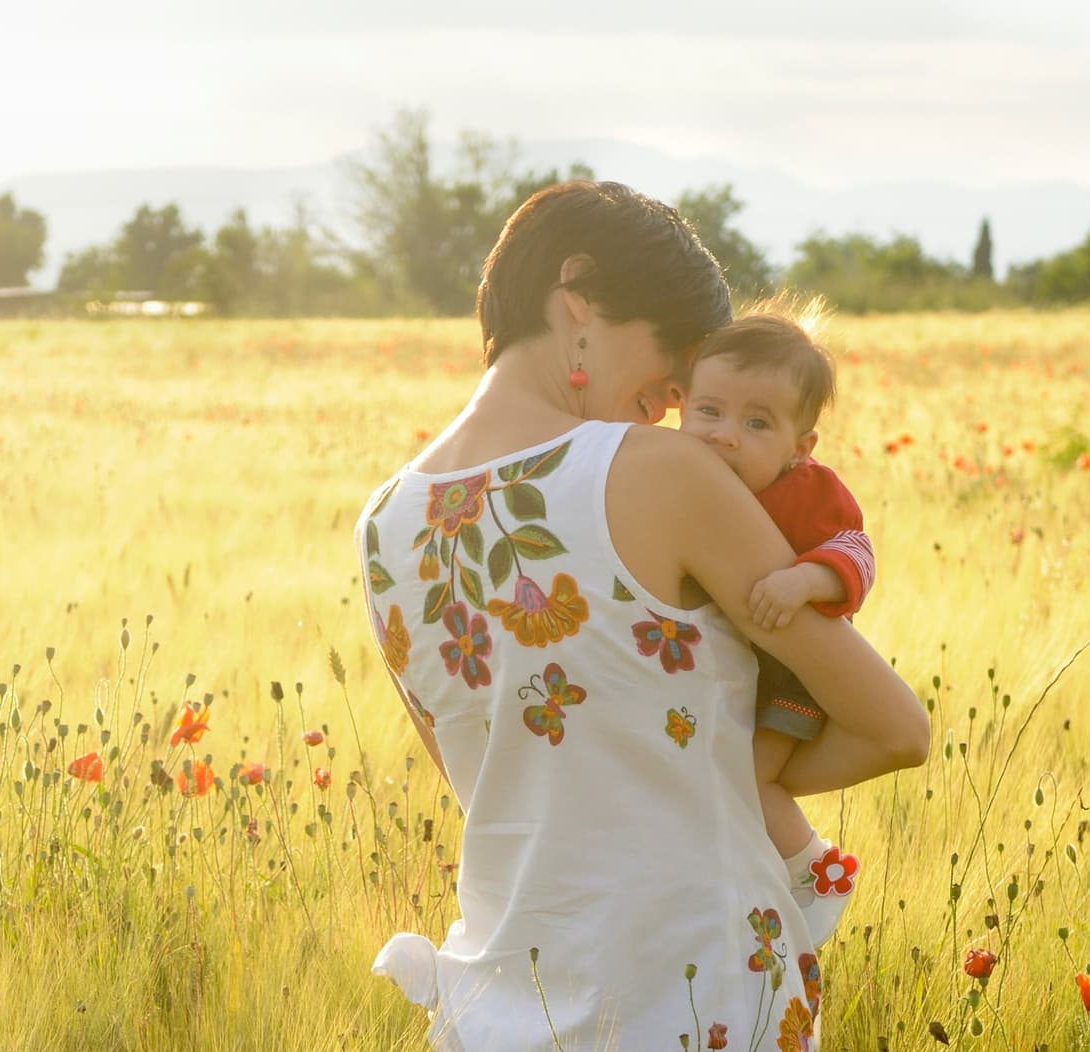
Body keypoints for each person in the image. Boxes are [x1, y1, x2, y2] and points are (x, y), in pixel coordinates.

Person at [355, 181, 928, 1051]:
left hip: (499, 1013)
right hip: (696, 998)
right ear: (577, 299)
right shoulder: (660, 471)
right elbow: (895, 730)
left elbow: (509, 788)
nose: (672, 395)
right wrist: (732, 778)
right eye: (673, 355)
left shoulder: (383, 523)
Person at [674, 309, 875, 948]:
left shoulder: (809, 493)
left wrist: (807, 580)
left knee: (746, 781)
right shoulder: (670, 478)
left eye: (757, 423)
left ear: (799, 448)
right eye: (708, 411)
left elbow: (858, 553)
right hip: (726, 672)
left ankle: (817, 871)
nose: (724, 436)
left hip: (789, 678)